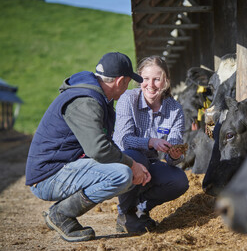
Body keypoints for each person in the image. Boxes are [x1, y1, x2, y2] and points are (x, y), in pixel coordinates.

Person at [25, 52, 151, 242]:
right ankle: (61, 214)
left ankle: (63, 213)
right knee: (121, 174)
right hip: (48, 177)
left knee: (123, 168)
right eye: (128, 82)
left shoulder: (96, 97)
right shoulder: (87, 101)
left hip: (61, 168)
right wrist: (132, 164)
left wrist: (130, 162)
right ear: (121, 81)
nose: (127, 88)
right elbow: (98, 149)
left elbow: (104, 144)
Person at [113, 55, 189, 234]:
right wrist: (151, 142)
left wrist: (174, 154)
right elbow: (123, 139)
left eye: (157, 79)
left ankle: (139, 209)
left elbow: (172, 156)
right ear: (139, 79)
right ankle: (124, 212)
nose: (151, 85)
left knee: (179, 181)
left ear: (166, 81)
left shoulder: (175, 110)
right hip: (125, 161)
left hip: (152, 164)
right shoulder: (128, 100)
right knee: (136, 156)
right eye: (146, 79)